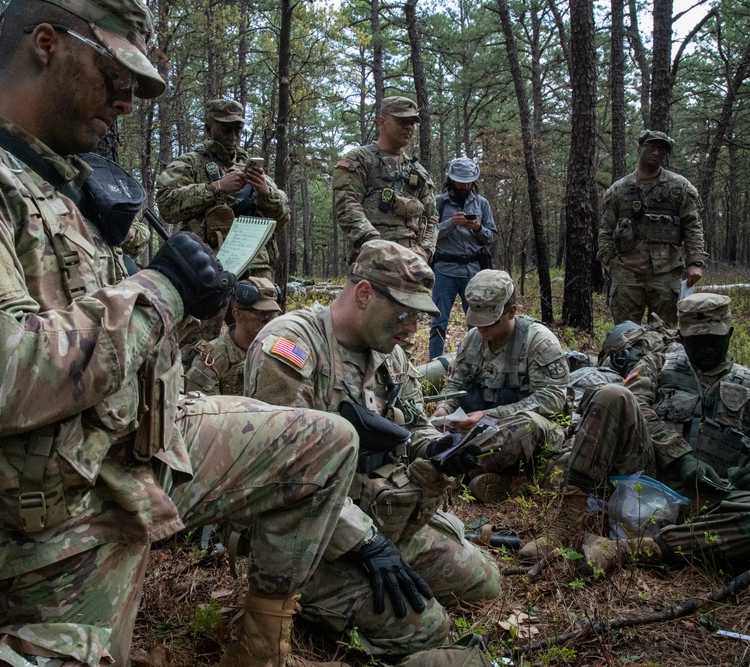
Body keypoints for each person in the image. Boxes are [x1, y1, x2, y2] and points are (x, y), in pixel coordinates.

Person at [0, 1, 356, 665]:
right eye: (114, 75)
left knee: (324, 443)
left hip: (140, 451)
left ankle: (260, 645)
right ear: (45, 44)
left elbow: (140, 336)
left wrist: (198, 291)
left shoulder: (65, 183)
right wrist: (161, 289)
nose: (126, 101)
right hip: (50, 519)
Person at [243, 240, 500, 657]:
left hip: (381, 515)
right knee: (427, 630)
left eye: (418, 317)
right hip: (309, 535)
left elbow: (412, 427)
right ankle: (309, 600)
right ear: (364, 294)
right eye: (404, 313)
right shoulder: (291, 349)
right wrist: (366, 543)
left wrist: (439, 449)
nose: (411, 329)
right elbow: (284, 473)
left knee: (485, 582)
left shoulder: (390, 355)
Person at [518, 294, 750, 576]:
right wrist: (679, 457)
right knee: (611, 394)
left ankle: (632, 550)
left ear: (729, 334)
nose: (706, 348)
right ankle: (565, 526)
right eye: (696, 340)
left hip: (712, 498)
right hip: (646, 478)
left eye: (714, 340)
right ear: (681, 338)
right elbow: (638, 404)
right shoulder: (657, 366)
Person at [430, 270, 571, 503]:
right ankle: (495, 477)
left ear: (511, 312)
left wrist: (488, 416)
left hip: (533, 430)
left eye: (489, 321)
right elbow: (456, 383)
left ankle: (454, 473)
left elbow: (552, 400)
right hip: (481, 428)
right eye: (477, 321)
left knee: (525, 425)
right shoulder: (473, 339)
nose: (481, 328)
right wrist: (443, 409)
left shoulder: (539, 342)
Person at [156, 98, 290, 281]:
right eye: (226, 130)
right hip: (206, 267)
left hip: (256, 268)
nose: (233, 137)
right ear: (208, 129)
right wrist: (217, 187)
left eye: (237, 130)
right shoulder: (190, 163)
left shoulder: (248, 166)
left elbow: (282, 219)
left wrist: (266, 194)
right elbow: (166, 206)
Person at [598, 130, 707, 326]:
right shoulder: (619, 190)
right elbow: (605, 231)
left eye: (662, 150)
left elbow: (693, 225)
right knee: (625, 337)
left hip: (666, 275)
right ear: (640, 149)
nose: (656, 153)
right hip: (627, 275)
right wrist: (612, 263)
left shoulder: (679, 187)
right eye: (652, 147)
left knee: (665, 337)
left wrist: (695, 262)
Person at [332, 96, 438, 264]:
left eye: (412, 122)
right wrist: (372, 240)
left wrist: (426, 251)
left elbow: (432, 218)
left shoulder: (418, 172)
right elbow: (347, 205)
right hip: (372, 258)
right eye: (402, 121)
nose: (409, 127)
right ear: (382, 122)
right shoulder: (360, 160)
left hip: (412, 261)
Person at [428, 157, 497, 360]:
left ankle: (476, 363)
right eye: (460, 181)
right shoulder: (438, 203)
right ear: (451, 179)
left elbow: (491, 236)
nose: (464, 186)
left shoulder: (482, 203)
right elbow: (428, 233)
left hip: (473, 272)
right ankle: (435, 366)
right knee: (438, 322)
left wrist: (477, 228)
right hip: (444, 271)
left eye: (468, 181)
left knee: (478, 323)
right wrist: (450, 223)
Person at [185, 276, 282, 396]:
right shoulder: (211, 361)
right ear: (238, 315)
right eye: (262, 313)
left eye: (273, 314)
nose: (269, 320)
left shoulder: (278, 351)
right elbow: (203, 412)